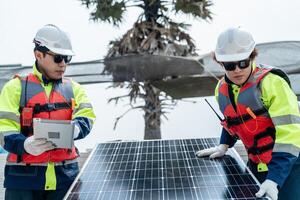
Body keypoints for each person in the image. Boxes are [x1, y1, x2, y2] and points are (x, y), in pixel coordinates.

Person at [196, 27, 300, 200]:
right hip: (255, 165)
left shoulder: (272, 84)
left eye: (242, 62)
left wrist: (274, 178)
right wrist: (223, 145)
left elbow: (291, 133)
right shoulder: (221, 89)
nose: (237, 70)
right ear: (221, 64)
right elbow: (233, 120)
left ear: (252, 56)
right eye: (230, 65)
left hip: (289, 167)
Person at [0, 24, 96, 200]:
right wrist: (24, 144)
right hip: (23, 183)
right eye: (58, 58)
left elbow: (87, 117)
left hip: (65, 179)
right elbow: (3, 129)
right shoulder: (14, 88)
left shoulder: (74, 89)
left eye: (67, 58)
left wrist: (76, 129)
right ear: (39, 54)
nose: (63, 64)